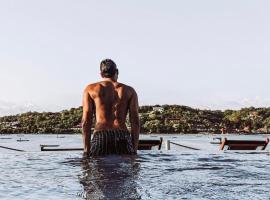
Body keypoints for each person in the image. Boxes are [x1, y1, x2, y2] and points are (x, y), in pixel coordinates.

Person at [81, 59, 140, 156]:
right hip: (122, 136)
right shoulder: (129, 91)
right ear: (117, 72)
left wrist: (86, 151)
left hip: (101, 136)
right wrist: (134, 150)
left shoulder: (90, 89)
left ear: (101, 74)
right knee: (126, 170)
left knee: (97, 170)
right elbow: (135, 122)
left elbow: (86, 121)